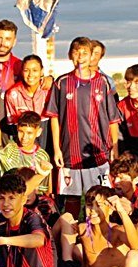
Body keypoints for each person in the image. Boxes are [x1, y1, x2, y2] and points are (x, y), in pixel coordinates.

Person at [46, 37, 121, 203]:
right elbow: (54, 117)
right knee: (72, 200)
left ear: (91, 56)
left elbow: (113, 119)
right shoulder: (61, 83)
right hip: (69, 152)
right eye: (76, 52)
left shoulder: (102, 82)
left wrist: (114, 146)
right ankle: (71, 222)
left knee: (101, 199)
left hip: (98, 152)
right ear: (69, 55)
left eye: (85, 53)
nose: (80, 56)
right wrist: (57, 149)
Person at [4, 54, 50, 135]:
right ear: (21, 72)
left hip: (47, 137)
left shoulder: (49, 91)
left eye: (35, 70)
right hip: (24, 139)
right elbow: (12, 126)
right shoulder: (12, 94)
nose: (30, 74)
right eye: (26, 70)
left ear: (42, 71)